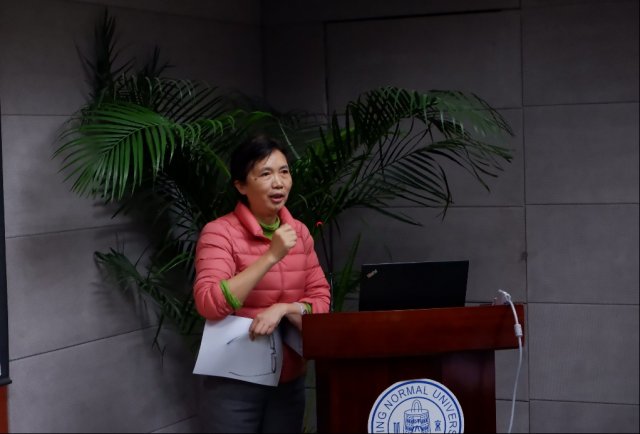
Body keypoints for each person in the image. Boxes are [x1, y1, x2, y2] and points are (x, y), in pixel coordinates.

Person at [194, 135, 331, 433]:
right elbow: (209, 303)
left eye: (284, 172)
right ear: (241, 186)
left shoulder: (300, 233)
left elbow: (321, 300)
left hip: (288, 380)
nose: (278, 182)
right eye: (266, 174)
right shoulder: (219, 233)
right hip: (233, 381)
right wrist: (271, 256)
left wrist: (285, 308)